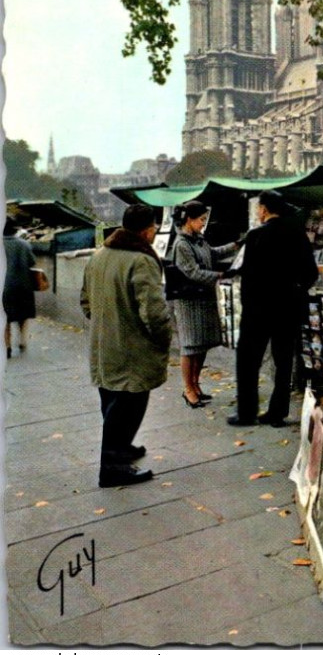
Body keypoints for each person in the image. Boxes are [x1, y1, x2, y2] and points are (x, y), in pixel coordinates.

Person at [81, 204, 172, 488]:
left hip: (103, 345)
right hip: (131, 348)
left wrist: (106, 323)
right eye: (153, 227)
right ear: (147, 229)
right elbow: (154, 313)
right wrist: (162, 338)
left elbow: (86, 302)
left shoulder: (99, 255)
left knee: (111, 400)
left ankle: (122, 449)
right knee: (128, 405)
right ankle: (113, 467)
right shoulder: (141, 260)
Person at [228, 190, 318, 428]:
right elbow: (311, 273)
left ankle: (247, 412)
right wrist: (294, 291)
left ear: (264, 209)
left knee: (248, 361)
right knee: (284, 362)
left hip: (257, 310)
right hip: (287, 309)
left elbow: (247, 276)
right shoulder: (297, 235)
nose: (257, 212)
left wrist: (249, 303)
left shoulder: (256, 236)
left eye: (258, 208)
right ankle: (277, 413)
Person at [169, 200, 239, 408]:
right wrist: (221, 275)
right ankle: (188, 388)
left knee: (201, 345)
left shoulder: (198, 239)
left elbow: (213, 254)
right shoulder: (182, 244)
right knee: (190, 346)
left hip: (203, 299)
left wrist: (236, 246)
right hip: (189, 302)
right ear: (189, 220)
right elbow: (192, 272)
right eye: (200, 220)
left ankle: (195, 384)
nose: (203, 224)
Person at [3, 217, 37, 358]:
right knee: (23, 314)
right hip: (24, 286)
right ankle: (22, 340)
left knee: (5, 319)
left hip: (4, 288)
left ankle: (7, 346)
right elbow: (32, 262)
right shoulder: (24, 244)